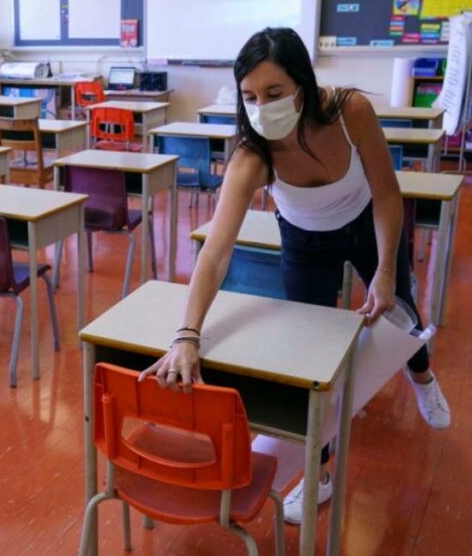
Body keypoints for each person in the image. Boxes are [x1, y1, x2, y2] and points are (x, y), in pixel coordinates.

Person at [140, 27, 450, 524]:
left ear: (303, 84)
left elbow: (388, 194)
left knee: (402, 312)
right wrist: (186, 334)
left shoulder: (351, 112)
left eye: (274, 92)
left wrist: (387, 271)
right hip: (306, 241)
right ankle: (318, 473)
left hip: (368, 225)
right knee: (311, 357)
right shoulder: (253, 155)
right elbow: (215, 253)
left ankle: (423, 377)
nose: (262, 106)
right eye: (250, 96)